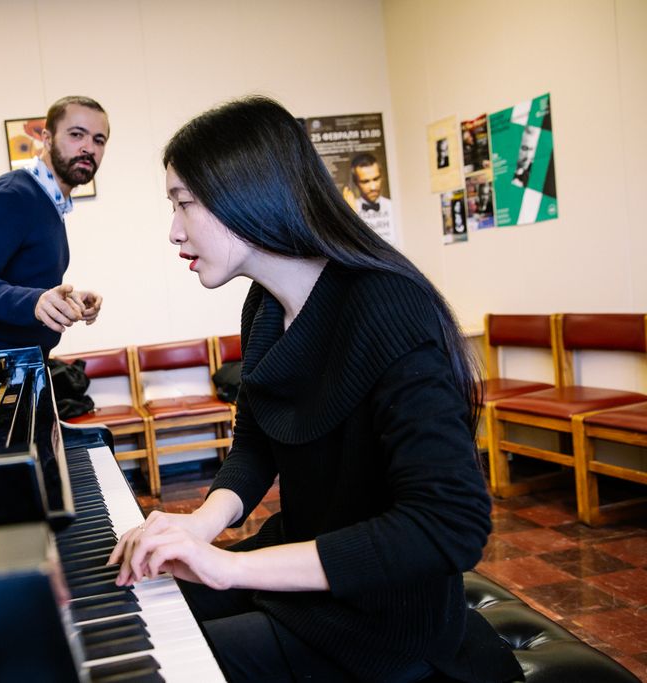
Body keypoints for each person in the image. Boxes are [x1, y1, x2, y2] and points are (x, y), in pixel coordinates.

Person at [109, 97, 522, 683]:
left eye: (185, 203)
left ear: (244, 196)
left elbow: (448, 525)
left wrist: (228, 569)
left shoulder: (387, 308)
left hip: (384, 618)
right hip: (301, 567)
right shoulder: (264, 306)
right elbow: (256, 446)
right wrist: (200, 526)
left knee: (157, 669)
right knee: (131, 610)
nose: (173, 230)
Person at [0, 96, 108, 357]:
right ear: (47, 138)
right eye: (77, 134)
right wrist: (34, 302)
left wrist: (66, 300)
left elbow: (23, 281)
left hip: (25, 364)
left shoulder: (50, 202)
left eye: (98, 140)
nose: (88, 148)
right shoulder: (13, 194)